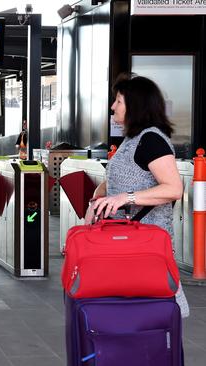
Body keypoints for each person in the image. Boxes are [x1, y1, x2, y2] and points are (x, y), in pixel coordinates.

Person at [85, 73, 189, 317]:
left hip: (146, 247)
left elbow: (173, 188)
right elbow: (114, 181)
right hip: (124, 243)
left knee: (150, 313)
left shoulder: (152, 140)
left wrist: (125, 198)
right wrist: (96, 201)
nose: (113, 107)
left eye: (118, 101)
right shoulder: (131, 139)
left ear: (135, 104)